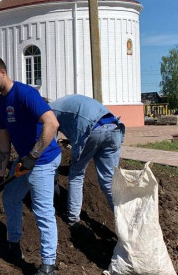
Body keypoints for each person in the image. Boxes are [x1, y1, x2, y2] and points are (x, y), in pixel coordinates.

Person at [0, 56, 61, 275]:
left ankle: (48, 268)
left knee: (42, 210)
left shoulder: (26, 94)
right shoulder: (0, 105)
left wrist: (33, 156)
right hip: (26, 159)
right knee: (11, 196)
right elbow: (4, 141)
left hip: (43, 158)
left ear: (3, 72)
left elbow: (52, 124)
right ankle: (13, 247)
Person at [49, 94, 125, 225]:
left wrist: (53, 176)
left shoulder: (49, 111)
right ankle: (125, 221)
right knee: (109, 182)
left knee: (76, 174)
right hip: (114, 127)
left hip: (92, 130)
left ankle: (73, 219)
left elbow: (50, 146)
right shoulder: (64, 102)